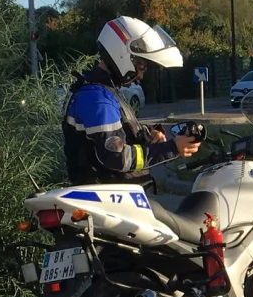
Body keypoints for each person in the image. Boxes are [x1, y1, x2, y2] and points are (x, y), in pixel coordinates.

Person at [62, 16, 201, 188]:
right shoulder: (97, 99)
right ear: (123, 54)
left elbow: (117, 134)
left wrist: (148, 135)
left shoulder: (102, 91)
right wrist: (171, 148)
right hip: (110, 202)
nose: (141, 76)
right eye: (141, 67)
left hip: (113, 197)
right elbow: (117, 157)